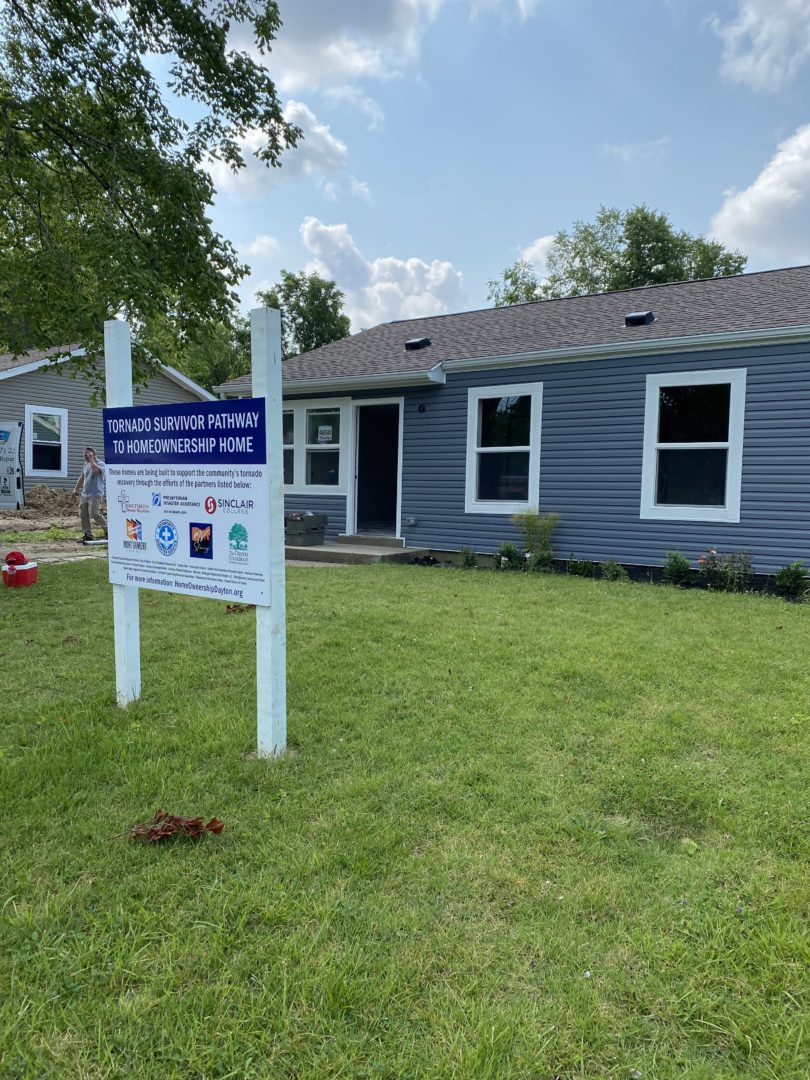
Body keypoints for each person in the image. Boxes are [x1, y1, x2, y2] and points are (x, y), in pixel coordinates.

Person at [72, 446, 107, 542]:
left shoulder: (101, 464)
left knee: (95, 514)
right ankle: (88, 534)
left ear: (93, 454)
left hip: (96, 494)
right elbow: (82, 477)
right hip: (85, 494)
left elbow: (96, 472)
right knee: (83, 514)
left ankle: (108, 531)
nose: (85, 456)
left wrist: (92, 460)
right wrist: (76, 489)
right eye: (84, 455)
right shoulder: (85, 465)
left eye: (87, 454)